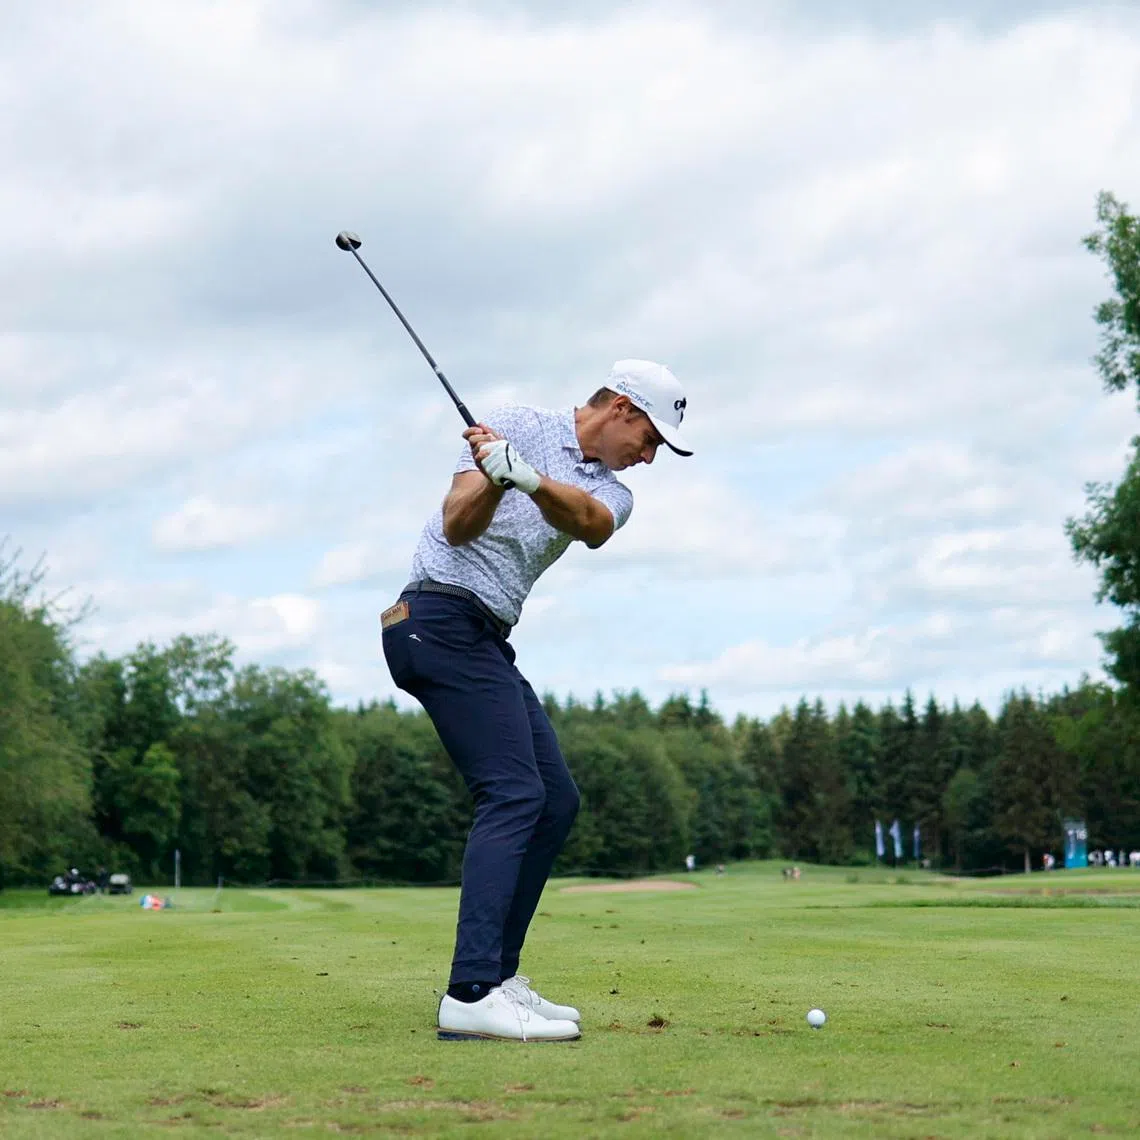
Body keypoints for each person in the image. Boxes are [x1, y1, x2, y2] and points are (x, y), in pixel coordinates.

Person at [381, 359, 693, 1042]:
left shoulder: (610, 491)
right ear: (619, 407)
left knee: (555, 799)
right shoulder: (519, 423)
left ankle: (497, 978)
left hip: (483, 636)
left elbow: (590, 524)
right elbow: (457, 527)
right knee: (514, 793)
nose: (648, 457)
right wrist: (497, 477)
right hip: (434, 620)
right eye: (649, 439)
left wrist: (526, 476)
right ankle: (470, 993)